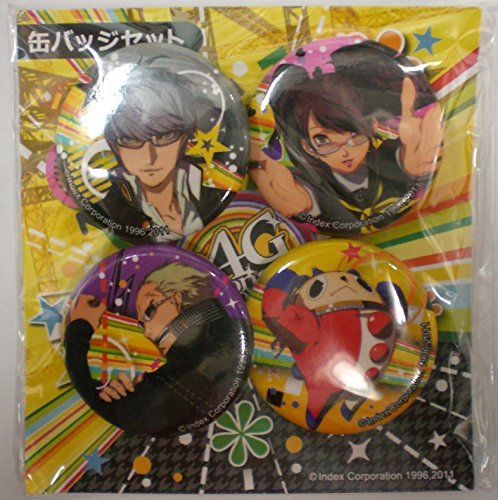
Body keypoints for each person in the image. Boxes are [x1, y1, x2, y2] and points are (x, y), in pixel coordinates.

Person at [251, 42, 443, 230]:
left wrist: (412, 163)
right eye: (322, 140)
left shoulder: (390, 157)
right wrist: (296, 199)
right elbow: (303, 199)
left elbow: (406, 160)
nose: (344, 152)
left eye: (353, 132)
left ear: (372, 124)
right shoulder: (313, 186)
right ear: (308, 147)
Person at [64, 262, 247, 436]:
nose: (147, 332)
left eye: (149, 312)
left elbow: (110, 411)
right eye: (141, 323)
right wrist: (132, 395)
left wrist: (81, 327)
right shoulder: (225, 332)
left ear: (176, 299)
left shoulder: (183, 365)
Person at [89, 60, 222, 240]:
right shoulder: (109, 211)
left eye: (165, 136)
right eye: (130, 139)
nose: (149, 157)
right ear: (114, 146)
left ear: (184, 138)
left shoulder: (212, 196)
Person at [262, 268, 407, 429]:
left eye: (361, 284)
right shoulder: (309, 320)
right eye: (317, 289)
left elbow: (274, 313)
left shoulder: (378, 308)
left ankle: (347, 406)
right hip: (330, 380)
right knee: (319, 404)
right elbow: (275, 316)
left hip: (365, 377)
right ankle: (327, 412)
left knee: (345, 394)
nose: (346, 282)